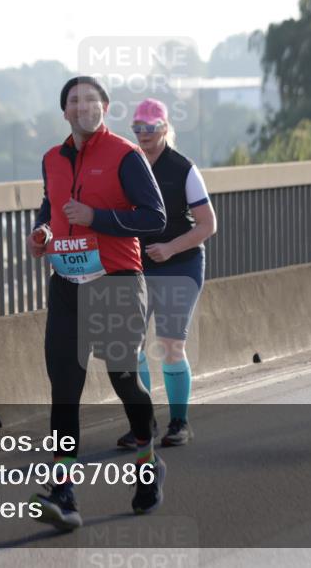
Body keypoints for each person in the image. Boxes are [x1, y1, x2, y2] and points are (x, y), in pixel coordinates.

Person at [25, 76, 168, 531]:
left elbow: (155, 216)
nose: (83, 106)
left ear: (104, 107)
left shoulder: (125, 155)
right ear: (64, 111)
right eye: (74, 100)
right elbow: (50, 207)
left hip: (117, 281)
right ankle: (63, 492)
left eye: (91, 99)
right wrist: (42, 233)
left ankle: (148, 461)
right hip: (66, 283)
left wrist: (97, 218)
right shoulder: (52, 158)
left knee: (125, 379)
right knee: (65, 388)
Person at [116, 98, 217, 449]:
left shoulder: (184, 169)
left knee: (172, 344)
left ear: (165, 128)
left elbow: (208, 225)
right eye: (137, 128)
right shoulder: (128, 164)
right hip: (138, 267)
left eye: (151, 128)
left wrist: (171, 247)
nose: (144, 134)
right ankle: (143, 425)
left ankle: (179, 423)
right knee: (131, 347)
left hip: (180, 265)